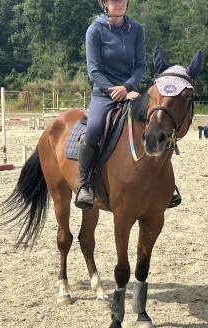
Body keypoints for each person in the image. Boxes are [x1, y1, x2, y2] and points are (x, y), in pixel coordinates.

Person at [75, 0, 145, 209]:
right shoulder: (94, 30)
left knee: (154, 124)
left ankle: (165, 184)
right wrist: (114, 90)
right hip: (103, 94)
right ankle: (83, 185)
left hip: (130, 90)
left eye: (123, 0)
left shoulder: (137, 30)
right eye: (114, 0)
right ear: (104, 3)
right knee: (94, 130)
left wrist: (127, 87)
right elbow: (94, 71)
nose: (120, 4)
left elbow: (141, 65)